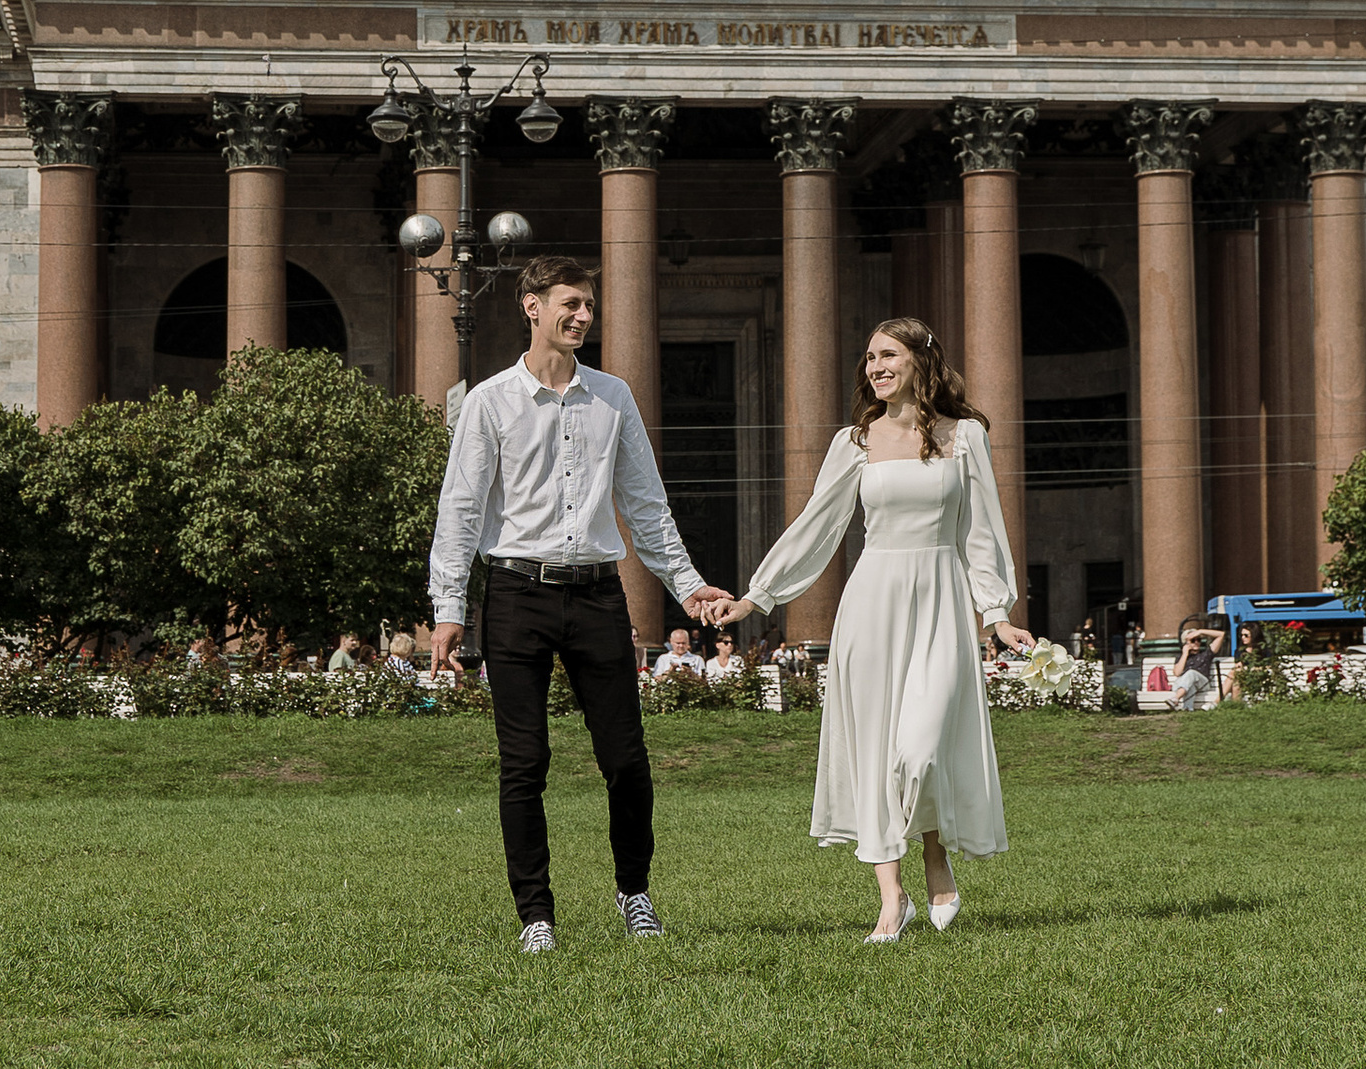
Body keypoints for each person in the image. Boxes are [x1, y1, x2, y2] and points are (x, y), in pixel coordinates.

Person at [430, 255, 734, 952]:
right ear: (531, 307)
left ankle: (635, 894)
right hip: (514, 594)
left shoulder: (612, 398)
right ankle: (536, 915)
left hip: (598, 593)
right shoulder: (489, 402)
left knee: (626, 759)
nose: (583, 315)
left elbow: (645, 505)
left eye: (589, 305)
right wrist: (449, 607)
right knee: (524, 762)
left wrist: (687, 586)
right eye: (570, 302)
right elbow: (462, 511)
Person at [737, 318, 1031, 942]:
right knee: (877, 754)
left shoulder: (966, 436)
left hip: (943, 603)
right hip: (871, 606)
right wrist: (758, 596)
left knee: (921, 749)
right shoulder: (855, 440)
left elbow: (982, 530)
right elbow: (816, 526)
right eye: (869, 357)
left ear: (922, 360)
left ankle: (936, 856)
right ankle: (891, 899)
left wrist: (996, 613)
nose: (874, 366)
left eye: (887, 355)